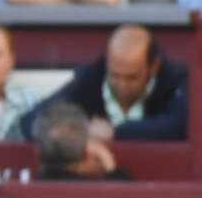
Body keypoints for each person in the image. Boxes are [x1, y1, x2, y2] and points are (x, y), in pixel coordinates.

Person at [20, 24, 187, 141]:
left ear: (154, 66)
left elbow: (179, 126)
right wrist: (78, 132)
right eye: (114, 75)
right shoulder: (91, 79)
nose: (122, 85)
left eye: (132, 77)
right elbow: (33, 121)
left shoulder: (177, 83)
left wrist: (116, 133)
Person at [34, 99, 132, 179]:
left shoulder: (30, 188)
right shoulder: (99, 191)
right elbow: (129, 196)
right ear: (86, 151)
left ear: (38, 150)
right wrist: (108, 161)